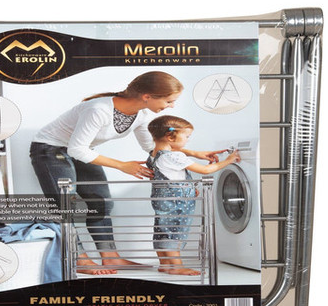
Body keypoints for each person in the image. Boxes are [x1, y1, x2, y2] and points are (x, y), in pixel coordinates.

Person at [30, 72, 222, 274]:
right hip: (50, 149)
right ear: (147, 96)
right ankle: (79, 259)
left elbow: (152, 147)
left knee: (101, 202)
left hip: (81, 150)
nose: (172, 106)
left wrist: (194, 153)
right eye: (169, 101)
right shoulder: (98, 110)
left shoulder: (142, 114)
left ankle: (110, 257)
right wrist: (122, 165)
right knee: (67, 205)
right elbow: (77, 149)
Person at [146, 114, 241, 276]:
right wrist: (229, 160)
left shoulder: (153, 155)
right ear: (170, 137)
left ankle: (165, 264)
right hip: (177, 201)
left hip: (162, 199)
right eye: (187, 136)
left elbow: (171, 177)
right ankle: (176, 266)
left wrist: (188, 186)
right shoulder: (174, 156)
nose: (188, 140)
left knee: (162, 228)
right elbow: (205, 170)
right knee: (175, 230)